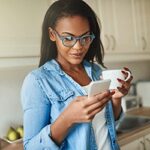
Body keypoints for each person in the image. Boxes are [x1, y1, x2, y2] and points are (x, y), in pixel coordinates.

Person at [21, 0, 133, 150]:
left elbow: (108, 124)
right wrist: (67, 119)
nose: (78, 47)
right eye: (68, 38)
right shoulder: (38, 81)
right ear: (52, 34)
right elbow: (30, 147)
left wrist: (116, 99)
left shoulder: (97, 71)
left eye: (85, 37)